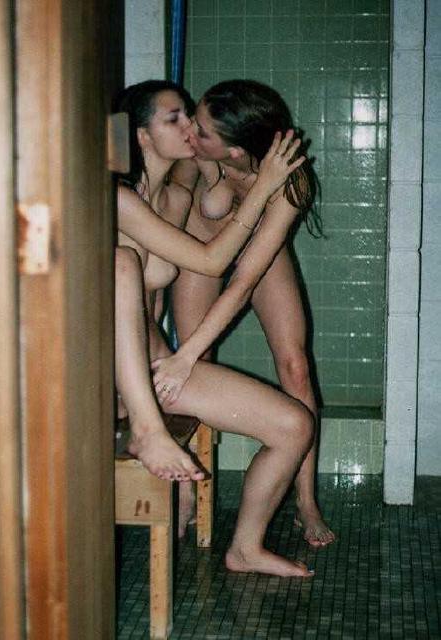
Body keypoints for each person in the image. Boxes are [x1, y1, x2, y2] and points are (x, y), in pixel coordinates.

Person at [115, 79, 315, 577]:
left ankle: (245, 547)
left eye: (193, 120)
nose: (189, 127)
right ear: (141, 136)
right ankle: (159, 451)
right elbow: (210, 259)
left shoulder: (174, 198)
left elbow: (231, 266)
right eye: (177, 119)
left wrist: (178, 359)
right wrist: (182, 361)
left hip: (154, 366)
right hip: (124, 377)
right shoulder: (118, 199)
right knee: (123, 267)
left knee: (294, 424)